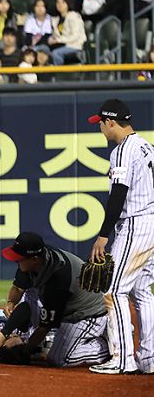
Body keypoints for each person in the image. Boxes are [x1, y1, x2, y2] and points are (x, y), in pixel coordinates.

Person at [87, 99, 154, 375]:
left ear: (111, 122)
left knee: (113, 291)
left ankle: (123, 358)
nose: (100, 128)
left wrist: (103, 235)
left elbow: (118, 194)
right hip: (151, 222)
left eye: (100, 123)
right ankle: (149, 359)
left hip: (136, 223)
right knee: (142, 291)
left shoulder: (123, 150)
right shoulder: (147, 146)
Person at [0, 232, 110, 367]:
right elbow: (18, 288)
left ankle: (105, 345)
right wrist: (11, 303)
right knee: (31, 292)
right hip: (66, 305)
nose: (16, 261)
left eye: (19, 259)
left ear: (34, 259)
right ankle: (41, 342)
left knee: (59, 359)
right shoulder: (34, 259)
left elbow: (45, 327)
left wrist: (26, 352)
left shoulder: (59, 279)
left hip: (86, 314)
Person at [48, 0, 86, 65]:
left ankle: (59, 71)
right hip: (62, 45)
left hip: (74, 45)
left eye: (63, 2)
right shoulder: (55, 20)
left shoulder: (73, 16)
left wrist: (58, 40)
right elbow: (56, 35)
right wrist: (52, 39)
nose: (60, 5)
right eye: (58, 2)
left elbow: (75, 36)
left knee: (56, 53)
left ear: (67, 3)